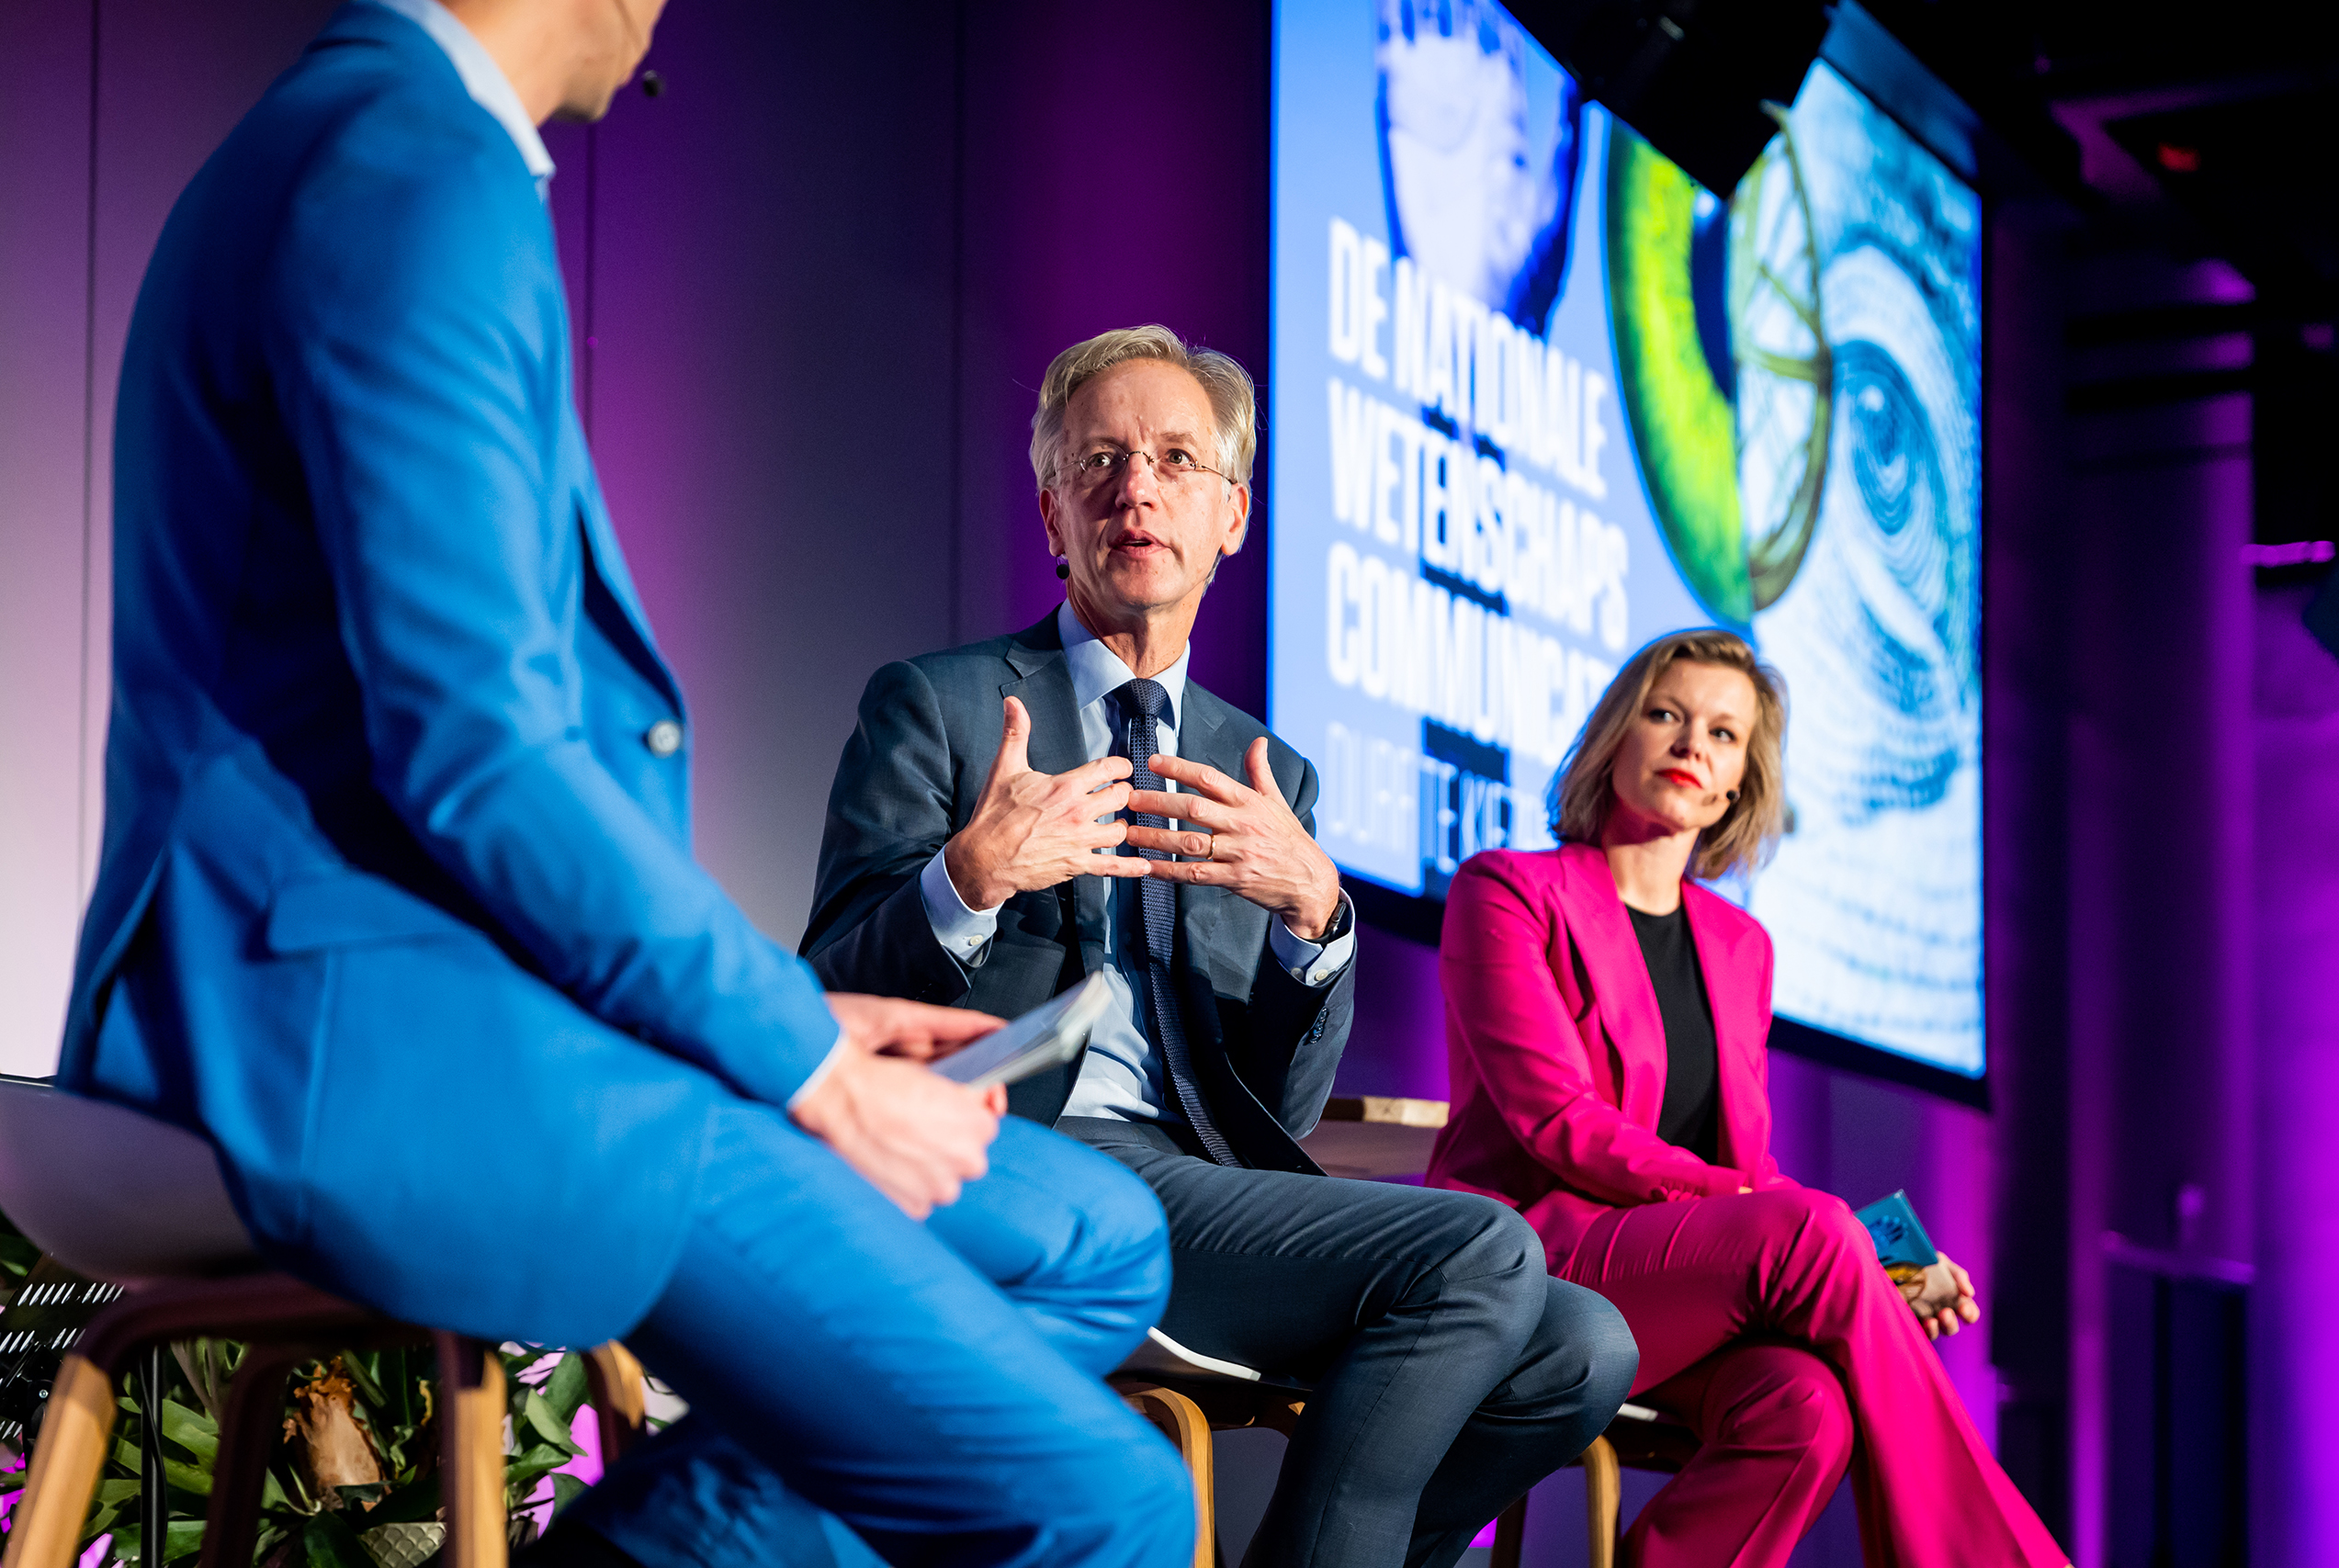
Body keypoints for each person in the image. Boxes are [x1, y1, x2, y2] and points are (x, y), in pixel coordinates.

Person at [58, 2, 1192, 1564]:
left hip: (438, 995)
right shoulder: (414, 172)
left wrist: (772, 1027)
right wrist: (800, 1054)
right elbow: (480, 750)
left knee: (1101, 1236)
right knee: (1114, 1497)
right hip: (358, 1035)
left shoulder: (374, 140)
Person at [803, 324, 1638, 1568]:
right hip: (1016, 1161)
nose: (1134, 486)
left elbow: (1281, 1103)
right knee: (1481, 1246)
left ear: (1232, 513)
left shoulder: (1266, 767)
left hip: (1193, 1179)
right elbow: (824, 997)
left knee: (1586, 1346)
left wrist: (1317, 922)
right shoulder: (946, 703)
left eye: (1174, 457)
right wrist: (967, 879)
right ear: (1053, 513)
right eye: (1099, 460)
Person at [1426, 629, 2069, 1568]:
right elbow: (1557, 1124)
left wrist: (1885, 1262)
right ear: (1616, 736)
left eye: (1724, 735)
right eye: (1666, 715)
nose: (1693, 744)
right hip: (1533, 1259)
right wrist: (1781, 1219)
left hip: (1676, 1279)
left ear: (1737, 784)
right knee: (1806, 1236)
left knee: (1803, 1411)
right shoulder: (1508, 892)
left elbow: (1751, 1172)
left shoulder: (1740, 947)